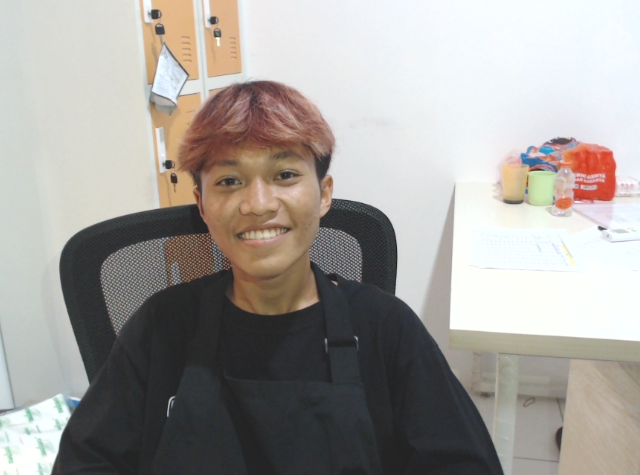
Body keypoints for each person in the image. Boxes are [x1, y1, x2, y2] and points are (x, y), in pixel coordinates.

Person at [53, 81, 503, 474]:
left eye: (284, 174)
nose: (259, 204)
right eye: (229, 181)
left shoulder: (385, 327)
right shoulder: (162, 326)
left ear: (324, 194)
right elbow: (86, 463)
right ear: (202, 204)